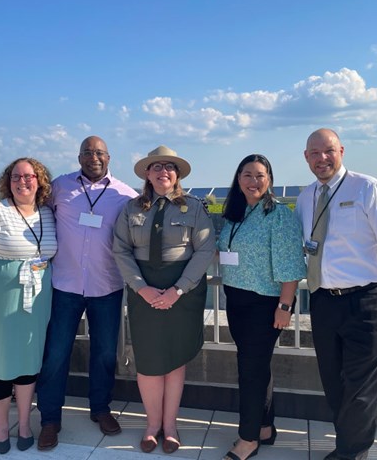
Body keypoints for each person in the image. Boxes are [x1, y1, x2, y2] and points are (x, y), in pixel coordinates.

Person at [295, 128, 377, 460]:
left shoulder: (366, 188)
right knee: (334, 382)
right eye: (314, 153)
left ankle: (350, 453)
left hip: (365, 301)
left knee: (362, 387)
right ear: (306, 158)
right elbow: (298, 247)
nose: (322, 158)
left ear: (341, 151)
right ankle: (348, 443)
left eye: (328, 151)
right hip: (323, 300)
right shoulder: (306, 197)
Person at [36, 136, 138, 450]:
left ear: (109, 157)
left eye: (99, 153)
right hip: (64, 286)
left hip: (106, 286)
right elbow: (33, 213)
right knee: (55, 354)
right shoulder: (60, 186)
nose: (93, 157)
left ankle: (101, 409)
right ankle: (50, 418)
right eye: (87, 152)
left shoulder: (125, 194)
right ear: (79, 157)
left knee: (106, 353)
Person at [113, 145, 216, 455]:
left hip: (182, 294)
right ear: (147, 173)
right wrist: (141, 288)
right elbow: (121, 249)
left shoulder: (195, 208)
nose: (163, 172)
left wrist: (178, 289)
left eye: (169, 167)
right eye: (156, 167)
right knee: (148, 362)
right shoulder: (132, 209)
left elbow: (205, 250)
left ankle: (170, 427)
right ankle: (151, 425)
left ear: (177, 174)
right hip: (144, 292)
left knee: (173, 361)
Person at [0, 157, 57, 454]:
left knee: (29, 362)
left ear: (39, 181)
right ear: (8, 181)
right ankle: (2, 428)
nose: (22, 182)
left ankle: (26, 424)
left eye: (29, 176)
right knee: (1, 363)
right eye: (16, 176)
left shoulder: (48, 214)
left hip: (37, 299)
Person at [217, 154, 306, 460]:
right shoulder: (234, 214)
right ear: (237, 178)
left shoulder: (279, 215)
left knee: (250, 371)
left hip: (265, 303)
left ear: (270, 179)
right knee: (257, 367)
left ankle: (248, 439)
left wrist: (285, 305)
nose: (253, 181)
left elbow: (292, 265)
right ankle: (265, 427)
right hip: (236, 300)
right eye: (247, 175)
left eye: (259, 175)